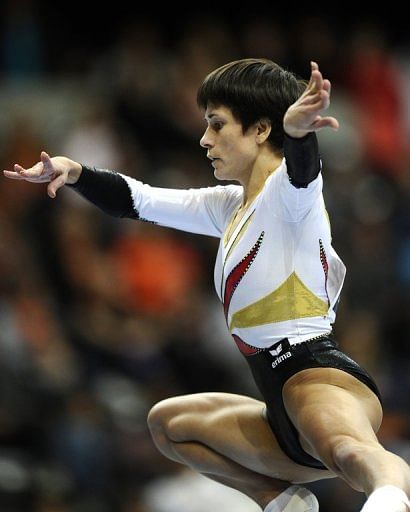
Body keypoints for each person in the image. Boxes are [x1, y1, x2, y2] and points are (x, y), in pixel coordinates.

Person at [4, 59, 410, 512]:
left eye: (217, 125)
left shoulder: (291, 199)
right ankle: (283, 501)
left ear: (259, 130)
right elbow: (139, 200)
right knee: (169, 424)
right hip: (277, 406)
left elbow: (303, 174)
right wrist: (75, 172)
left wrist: (297, 133)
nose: (205, 139)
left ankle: (391, 496)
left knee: (353, 454)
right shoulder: (228, 205)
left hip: (316, 377)